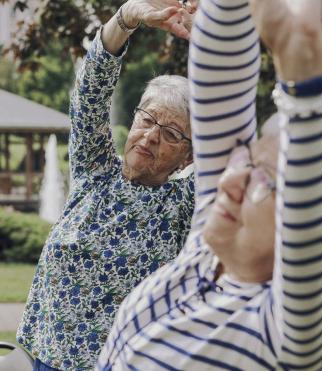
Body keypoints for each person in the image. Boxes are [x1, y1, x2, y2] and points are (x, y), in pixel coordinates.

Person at [96, 0, 322, 369]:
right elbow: (221, 77)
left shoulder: (289, 330)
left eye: (266, 182)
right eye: (249, 160)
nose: (232, 179)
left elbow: (315, 197)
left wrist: (304, 74)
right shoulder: (209, 253)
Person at [17, 1, 198, 370]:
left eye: (171, 133)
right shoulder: (96, 168)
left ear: (189, 157)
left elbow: (232, 140)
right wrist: (127, 17)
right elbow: (91, 92)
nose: (150, 137)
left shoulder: (184, 202)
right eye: (147, 119)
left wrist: (218, 43)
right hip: (48, 356)